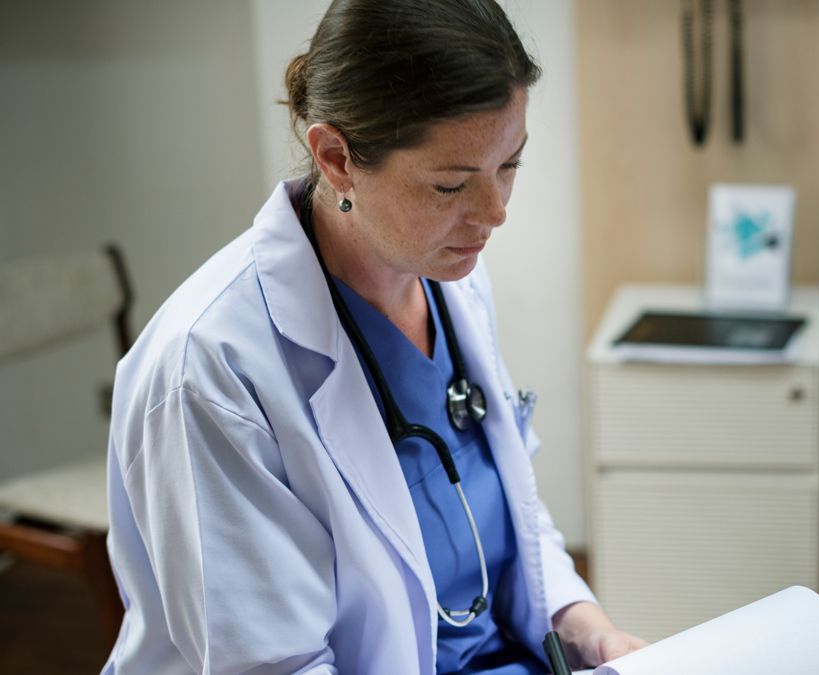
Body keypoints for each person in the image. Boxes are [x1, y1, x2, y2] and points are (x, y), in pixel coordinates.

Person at [102, 1, 645, 673]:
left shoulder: (452, 281)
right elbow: (274, 664)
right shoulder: (209, 370)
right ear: (335, 157)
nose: (495, 213)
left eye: (511, 165)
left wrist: (583, 623)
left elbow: (510, 513)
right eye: (451, 184)